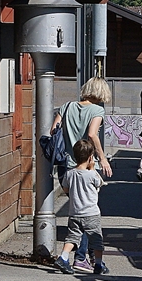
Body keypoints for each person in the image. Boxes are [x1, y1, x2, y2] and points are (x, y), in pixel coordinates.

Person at [49, 77, 114, 271]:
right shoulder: (97, 110)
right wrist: (102, 158)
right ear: (101, 93)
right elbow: (93, 134)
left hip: (66, 165)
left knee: (78, 210)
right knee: (88, 212)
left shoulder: (67, 106)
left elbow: (54, 130)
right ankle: (81, 257)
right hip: (85, 164)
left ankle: (82, 256)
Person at [54, 139, 109, 276]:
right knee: (96, 239)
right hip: (91, 213)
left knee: (72, 237)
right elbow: (100, 184)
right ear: (91, 157)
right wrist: (92, 168)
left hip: (74, 213)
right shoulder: (92, 174)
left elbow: (66, 188)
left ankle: (64, 257)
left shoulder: (69, 173)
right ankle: (98, 263)